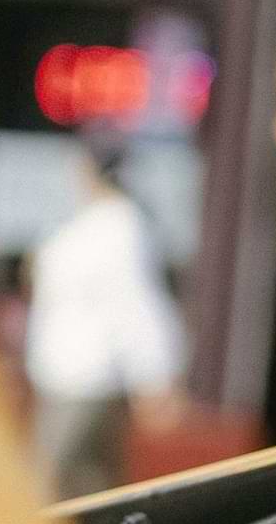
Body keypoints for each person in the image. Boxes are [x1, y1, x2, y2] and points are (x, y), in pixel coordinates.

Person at [25, 137, 189, 498]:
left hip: (86, 380)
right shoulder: (93, 222)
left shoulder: (120, 227)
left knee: (48, 486)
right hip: (70, 376)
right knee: (93, 487)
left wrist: (154, 378)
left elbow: (133, 303)